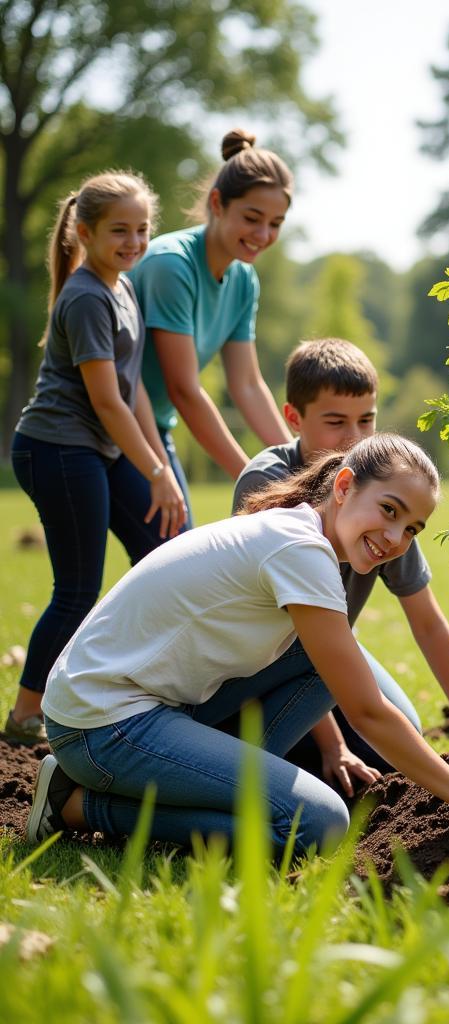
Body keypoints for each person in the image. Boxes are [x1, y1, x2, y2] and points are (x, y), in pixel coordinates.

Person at [26, 435, 449, 854]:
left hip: (150, 705)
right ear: (344, 486)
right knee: (318, 823)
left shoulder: (302, 534)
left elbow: (342, 676)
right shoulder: (300, 549)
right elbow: (367, 711)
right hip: (101, 724)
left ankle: (216, 785)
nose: (396, 538)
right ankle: (77, 806)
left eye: (412, 528)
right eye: (388, 510)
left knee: (332, 659)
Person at [231, 338, 449, 794]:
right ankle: (246, 749)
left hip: (325, 657)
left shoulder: (383, 494)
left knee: (399, 743)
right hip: (266, 662)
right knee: (348, 751)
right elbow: (295, 637)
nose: (355, 438)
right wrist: (334, 745)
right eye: (335, 422)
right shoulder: (270, 484)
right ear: (293, 419)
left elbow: (427, 621)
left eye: (366, 420)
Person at [6, 172, 186, 746]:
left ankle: (140, 689)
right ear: (84, 232)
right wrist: (155, 473)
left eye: (142, 229)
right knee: (77, 590)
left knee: (163, 552)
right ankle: (25, 716)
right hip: (58, 449)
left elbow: (132, 390)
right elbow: (106, 401)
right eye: (119, 231)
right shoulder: (86, 295)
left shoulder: (121, 287)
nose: (133, 241)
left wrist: (163, 471)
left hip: (96, 450)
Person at [128, 129, 293, 522]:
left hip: (152, 428)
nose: (263, 235)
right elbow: (183, 389)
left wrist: (299, 467)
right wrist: (257, 482)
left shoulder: (243, 280)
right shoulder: (171, 266)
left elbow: (248, 385)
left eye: (276, 223)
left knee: (176, 563)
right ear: (217, 203)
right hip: (96, 426)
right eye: (252, 218)